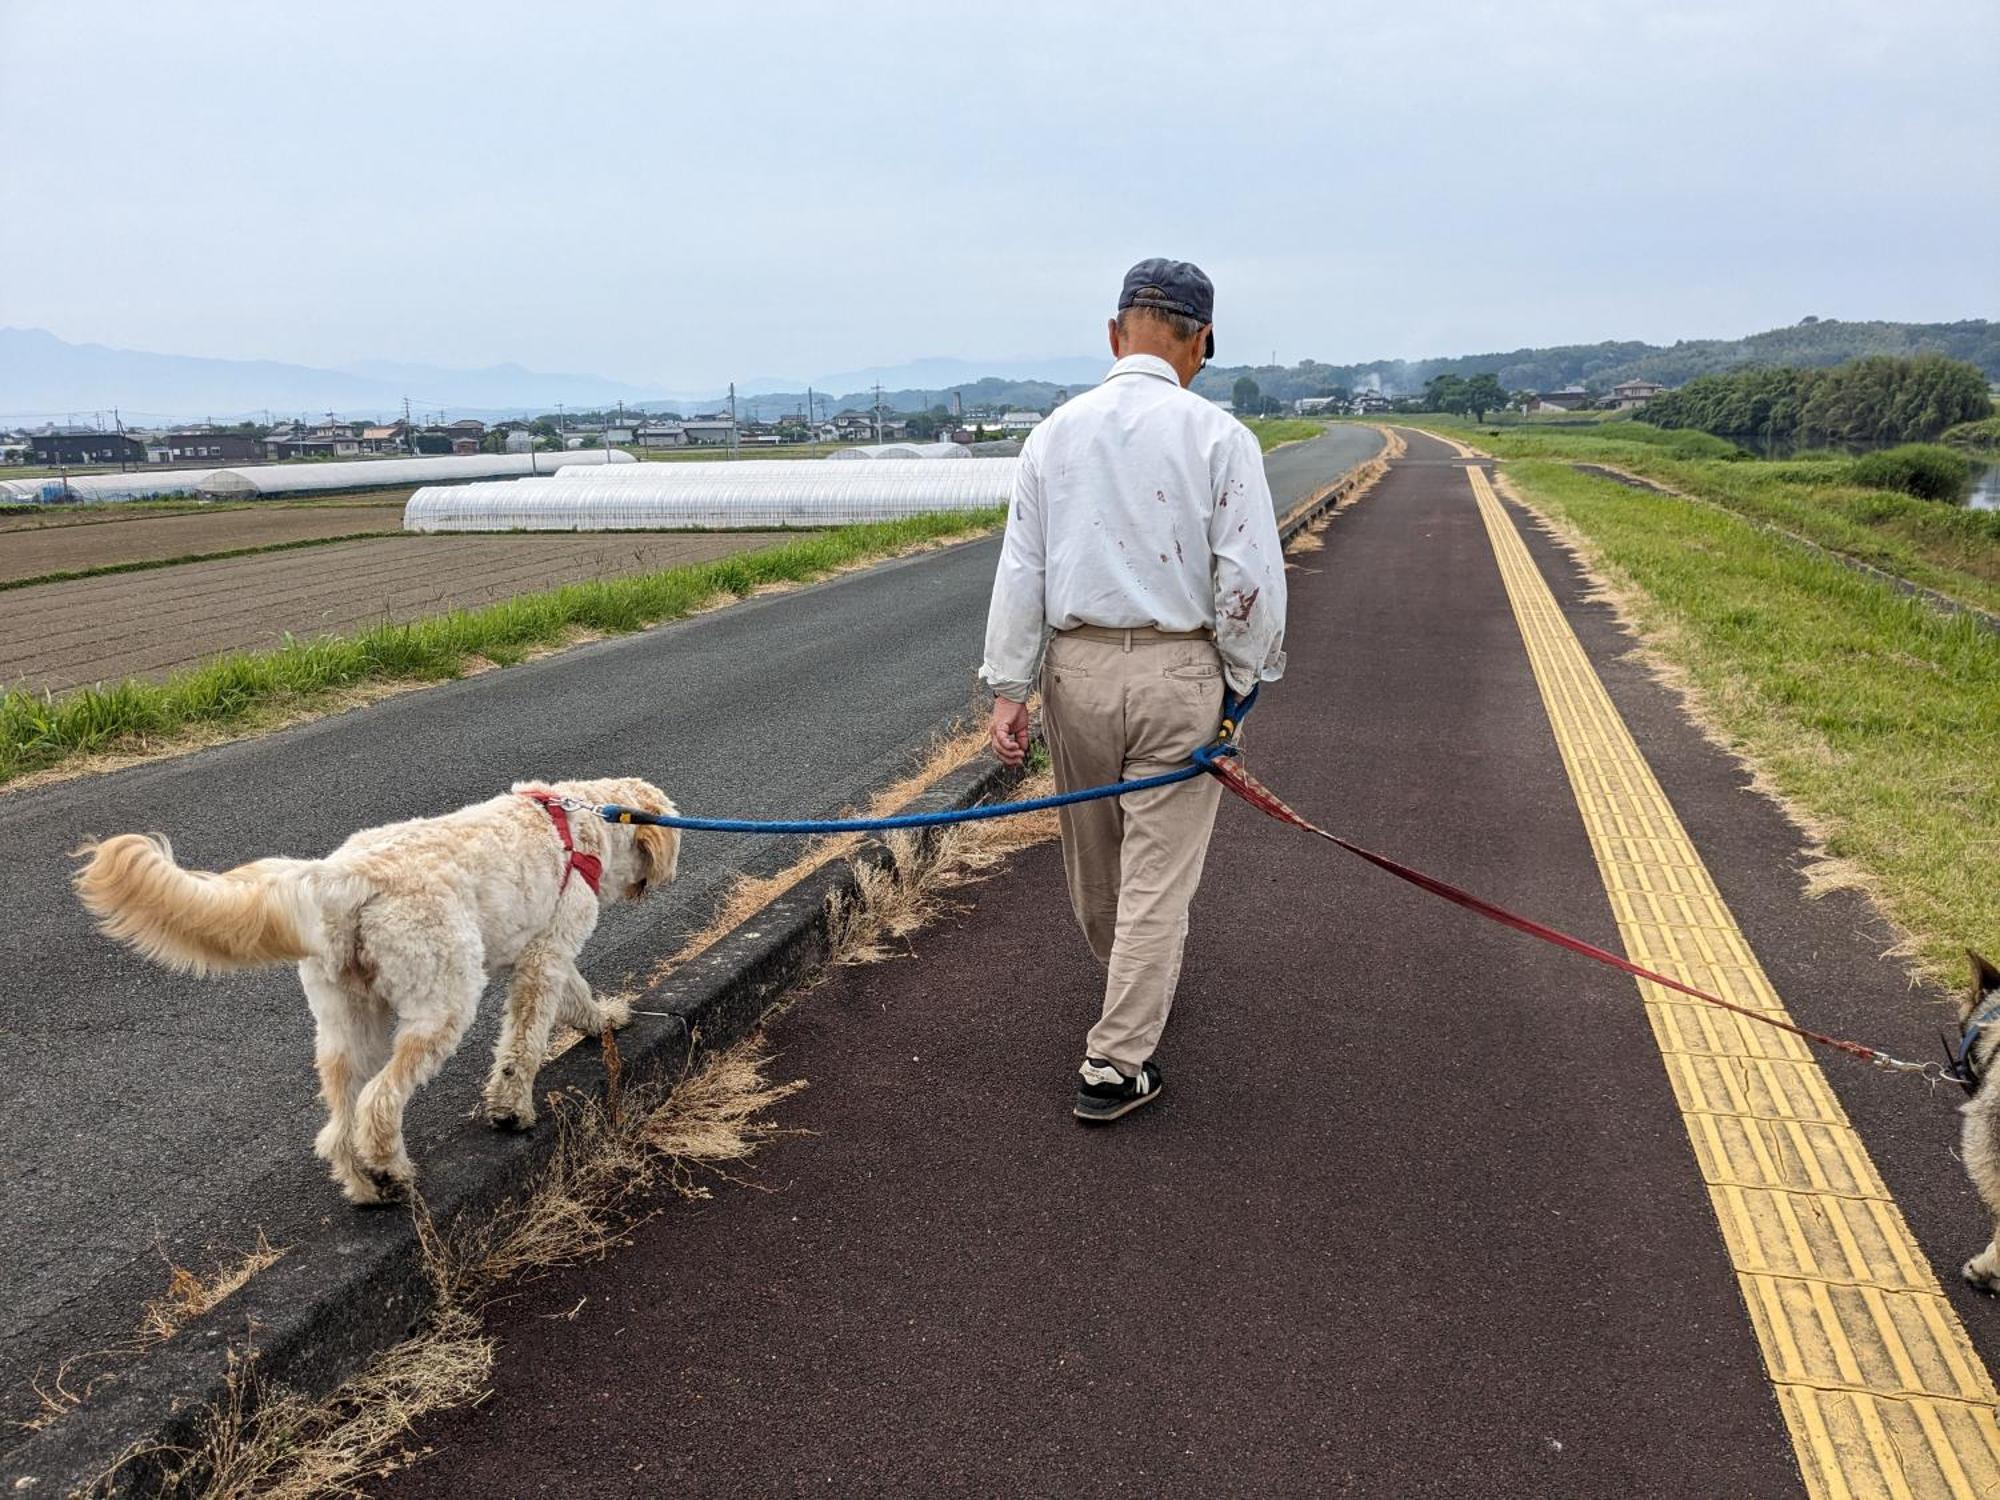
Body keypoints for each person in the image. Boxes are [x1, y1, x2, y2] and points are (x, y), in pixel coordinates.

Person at [979, 258, 1288, 1123]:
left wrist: (1009, 689)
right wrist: (1240, 686)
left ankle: (1131, 992)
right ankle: (1117, 1059)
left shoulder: (1054, 434)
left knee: (1095, 856)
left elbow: (1022, 570)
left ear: (1115, 335)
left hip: (1074, 669)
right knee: (1160, 873)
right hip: (1178, 667)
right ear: (1202, 343)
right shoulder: (1221, 437)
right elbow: (1248, 585)